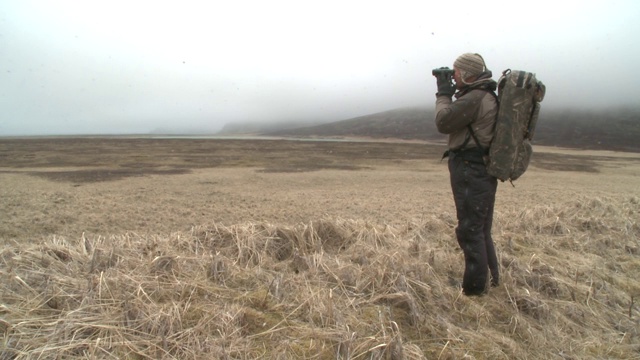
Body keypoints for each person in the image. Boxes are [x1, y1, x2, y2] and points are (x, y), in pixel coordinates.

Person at [433, 53, 499, 296]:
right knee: (480, 228)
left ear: (467, 73)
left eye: (456, 72)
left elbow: (443, 121)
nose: (454, 76)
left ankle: (474, 290)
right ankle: (490, 281)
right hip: (480, 168)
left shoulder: (475, 97)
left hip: (471, 168)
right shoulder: (485, 94)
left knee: (470, 229)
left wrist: (443, 93)